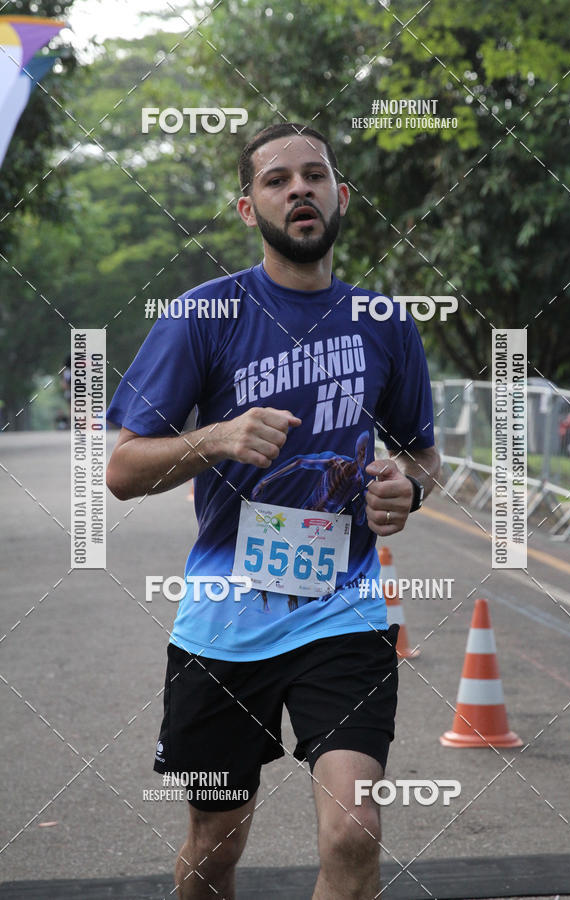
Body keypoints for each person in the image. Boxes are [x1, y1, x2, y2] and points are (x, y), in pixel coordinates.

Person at [106, 123, 440, 900]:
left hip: (344, 615)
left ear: (340, 196)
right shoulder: (202, 315)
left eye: (315, 175)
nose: (299, 189)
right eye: (277, 180)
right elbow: (122, 469)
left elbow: (424, 454)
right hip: (224, 623)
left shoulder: (384, 323)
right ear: (247, 207)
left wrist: (411, 488)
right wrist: (218, 436)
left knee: (354, 829)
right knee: (215, 846)